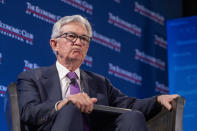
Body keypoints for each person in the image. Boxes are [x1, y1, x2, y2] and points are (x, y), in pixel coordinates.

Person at [17, 14, 179, 131]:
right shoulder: (32, 78)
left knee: (133, 116)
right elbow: (28, 112)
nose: (78, 42)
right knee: (72, 107)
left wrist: (158, 99)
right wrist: (64, 103)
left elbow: (130, 105)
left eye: (84, 39)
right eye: (71, 36)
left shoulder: (100, 83)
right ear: (54, 44)